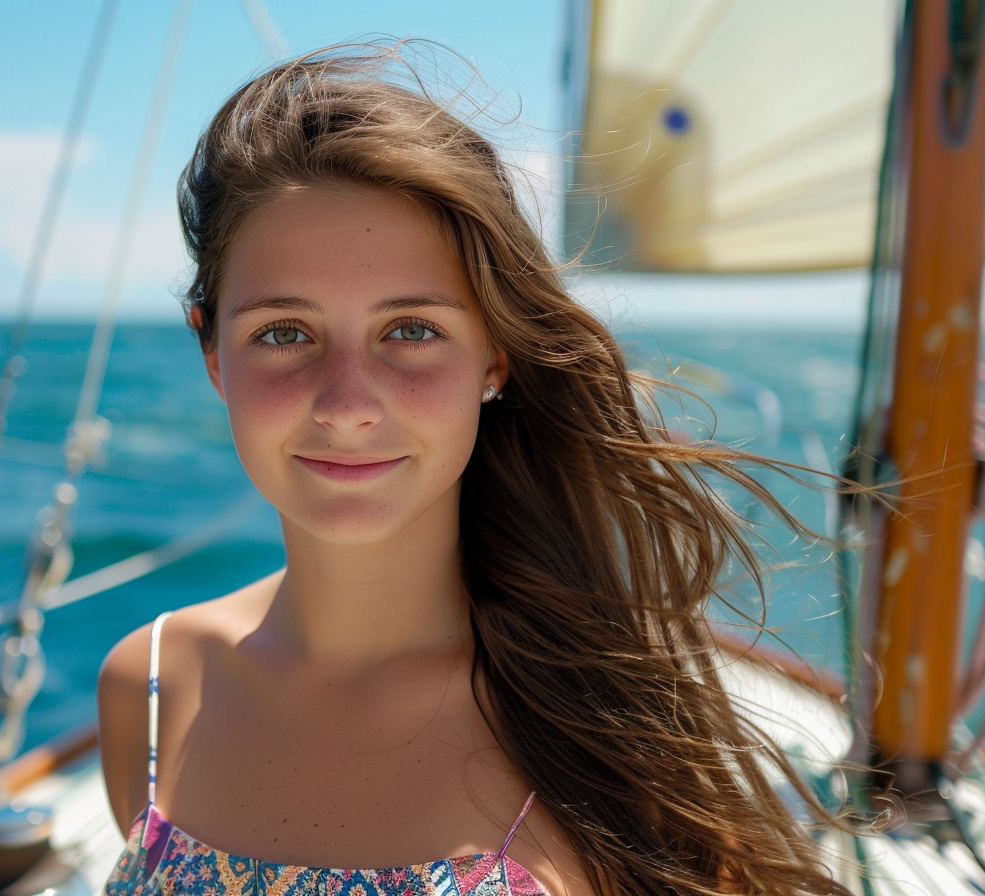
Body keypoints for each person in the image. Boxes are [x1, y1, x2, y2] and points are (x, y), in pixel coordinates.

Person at [98, 43, 847, 896]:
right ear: (211, 352)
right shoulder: (150, 691)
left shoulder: (603, 726)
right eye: (283, 333)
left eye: (410, 330)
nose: (347, 403)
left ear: (495, 357)